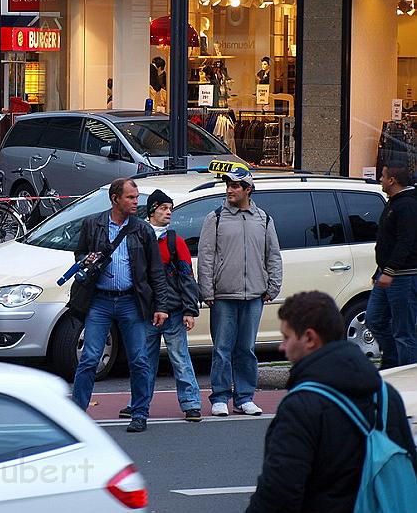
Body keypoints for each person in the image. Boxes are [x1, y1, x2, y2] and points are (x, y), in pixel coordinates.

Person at [246, 291, 417, 513]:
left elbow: (279, 493)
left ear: (309, 338)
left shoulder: (301, 407)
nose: (282, 347)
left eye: (287, 337)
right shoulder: (385, 394)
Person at [71, 177, 171, 433]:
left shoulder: (142, 229)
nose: (136, 202)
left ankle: (139, 413)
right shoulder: (93, 224)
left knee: (139, 359)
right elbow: (79, 255)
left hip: (131, 300)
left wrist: (161, 306)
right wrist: (88, 260)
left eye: (137, 197)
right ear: (115, 199)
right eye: (130, 197)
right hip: (100, 300)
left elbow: (156, 271)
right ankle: (76, 415)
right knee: (90, 358)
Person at [197, 166, 282, 417]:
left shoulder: (263, 218)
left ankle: (245, 397)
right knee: (222, 348)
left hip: (254, 295)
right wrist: (207, 290)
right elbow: (206, 256)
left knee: (246, 349)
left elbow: (273, 255)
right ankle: (220, 396)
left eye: (235, 186)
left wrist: (273, 287)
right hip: (224, 295)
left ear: (248, 189)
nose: (230, 190)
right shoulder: (216, 218)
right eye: (229, 185)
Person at [120, 189, 203, 423]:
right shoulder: (136, 237)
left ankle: (192, 404)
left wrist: (189, 310)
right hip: (146, 312)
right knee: (143, 360)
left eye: (170, 209)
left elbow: (188, 277)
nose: (168, 213)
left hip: (174, 312)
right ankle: (138, 404)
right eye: (164, 208)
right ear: (152, 210)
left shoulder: (175, 241)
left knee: (180, 358)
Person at [365, 161, 417, 369]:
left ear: (392, 180)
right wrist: (380, 271)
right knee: (374, 318)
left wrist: (389, 270)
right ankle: (393, 361)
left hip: (403, 276)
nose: (380, 180)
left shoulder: (407, 205)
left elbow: (406, 242)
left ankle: (407, 375)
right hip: (386, 275)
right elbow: (388, 242)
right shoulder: (393, 202)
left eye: (383, 176)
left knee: (404, 331)